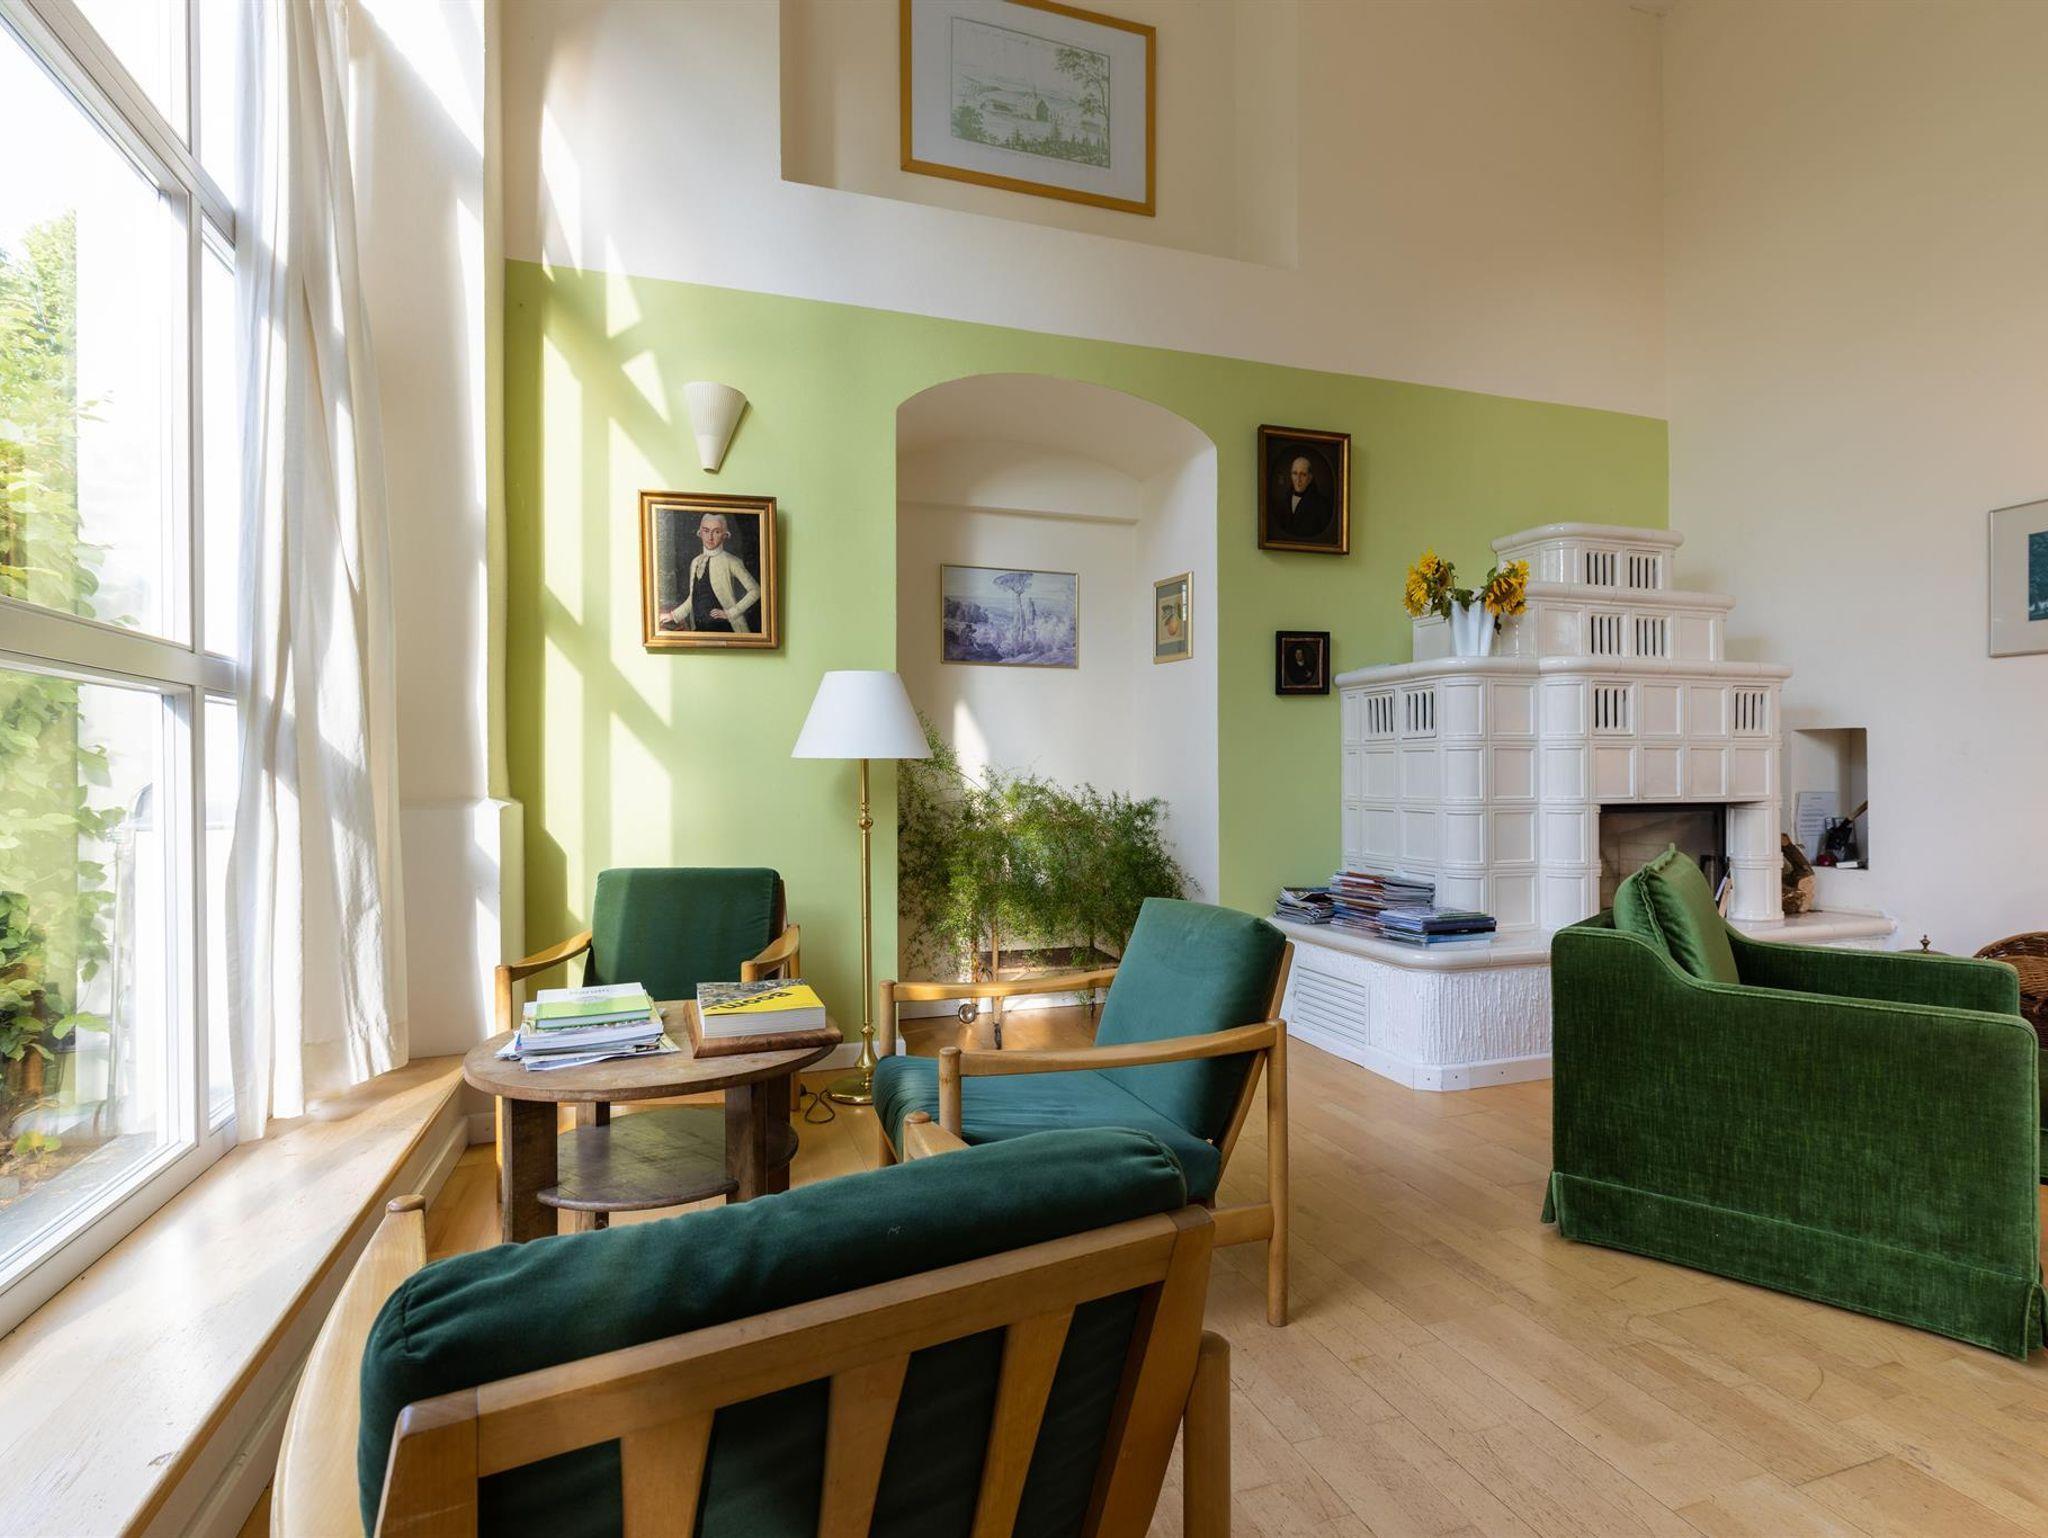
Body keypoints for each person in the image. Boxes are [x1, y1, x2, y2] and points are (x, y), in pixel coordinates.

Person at [663, 513, 760, 633]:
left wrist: (730, 613)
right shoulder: (696, 562)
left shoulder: (731, 561)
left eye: (716, 532)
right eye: (706, 531)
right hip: (700, 630)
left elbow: (755, 590)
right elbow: (693, 598)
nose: (710, 537)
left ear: (725, 535)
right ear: (700, 533)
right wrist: (673, 615)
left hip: (726, 629)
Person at [1270, 453, 1334, 545]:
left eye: (1303, 474)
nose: (1298, 479)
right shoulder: (1284, 501)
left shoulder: (1322, 504)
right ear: (1291, 475)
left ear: (1310, 478)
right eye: (1295, 473)